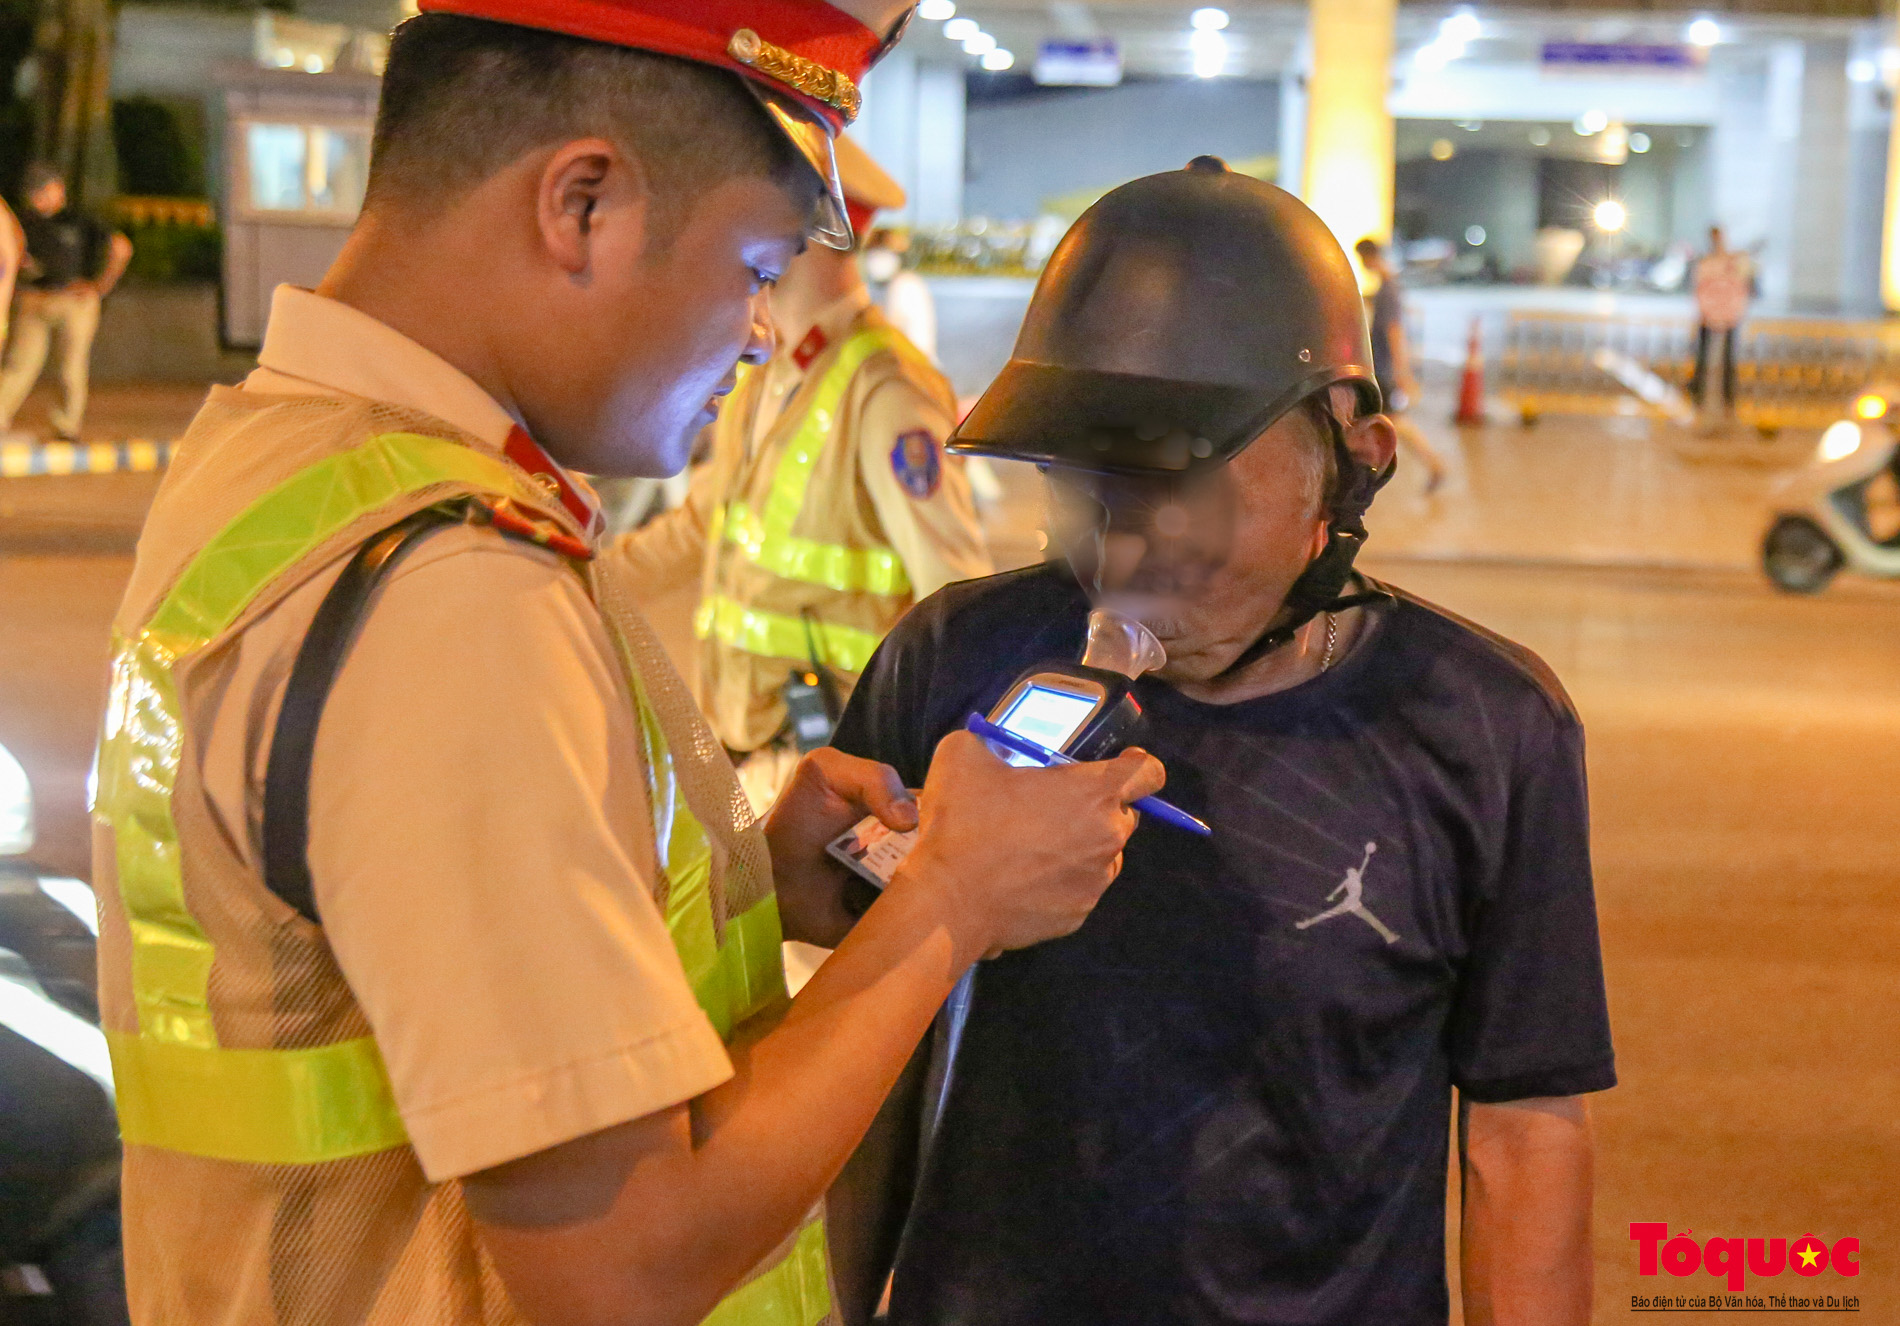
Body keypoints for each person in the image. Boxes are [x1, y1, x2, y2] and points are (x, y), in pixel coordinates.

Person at [88, 7, 1166, 1325]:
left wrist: (745, 882)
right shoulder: (453, 590)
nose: (764, 331)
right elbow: (620, 1265)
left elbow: (372, 958)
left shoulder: (292, 465)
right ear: (582, 203)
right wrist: (948, 906)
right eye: (756, 260)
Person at [831, 160, 1615, 1326]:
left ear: (1355, 456)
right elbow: (864, 1069)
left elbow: (1521, 1127)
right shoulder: (950, 662)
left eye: (1176, 484)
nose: (1121, 547)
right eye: (1080, 482)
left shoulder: (1485, 727)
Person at [611, 131, 989, 812]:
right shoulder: (766, 373)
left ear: (802, 236)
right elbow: (701, 528)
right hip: (741, 738)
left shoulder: (886, 389)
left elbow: (955, 598)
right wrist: (578, 580)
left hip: (837, 763)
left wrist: (943, 793)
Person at [0, 163, 131, 441]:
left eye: (43, 191)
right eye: (33, 193)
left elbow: (121, 247)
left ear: (58, 189)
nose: (37, 199)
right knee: (19, 365)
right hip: (33, 300)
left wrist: (100, 286)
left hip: (74, 302)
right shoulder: (23, 222)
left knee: (71, 366)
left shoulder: (79, 220)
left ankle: (66, 427)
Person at [1355, 235, 1446, 494]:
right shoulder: (1388, 287)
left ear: (1369, 258)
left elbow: (1395, 332)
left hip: (1383, 370)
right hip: (1383, 368)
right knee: (1389, 421)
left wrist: (1402, 372)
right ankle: (1432, 464)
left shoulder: (1389, 291)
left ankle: (1434, 464)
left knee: (1394, 422)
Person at [1690, 224, 1752, 419]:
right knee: (1704, 358)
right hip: (1712, 315)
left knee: (1726, 360)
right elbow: (1701, 288)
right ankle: (1700, 396)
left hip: (1727, 315)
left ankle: (1727, 399)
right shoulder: (1708, 262)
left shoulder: (1731, 263)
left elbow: (1740, 286)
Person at [863, 226, 935, 360]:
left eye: (882, 252)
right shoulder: (891, 286)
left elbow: (889, 329)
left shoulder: (904, 285)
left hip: (911, 366)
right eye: (873, 253)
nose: (875, 260)